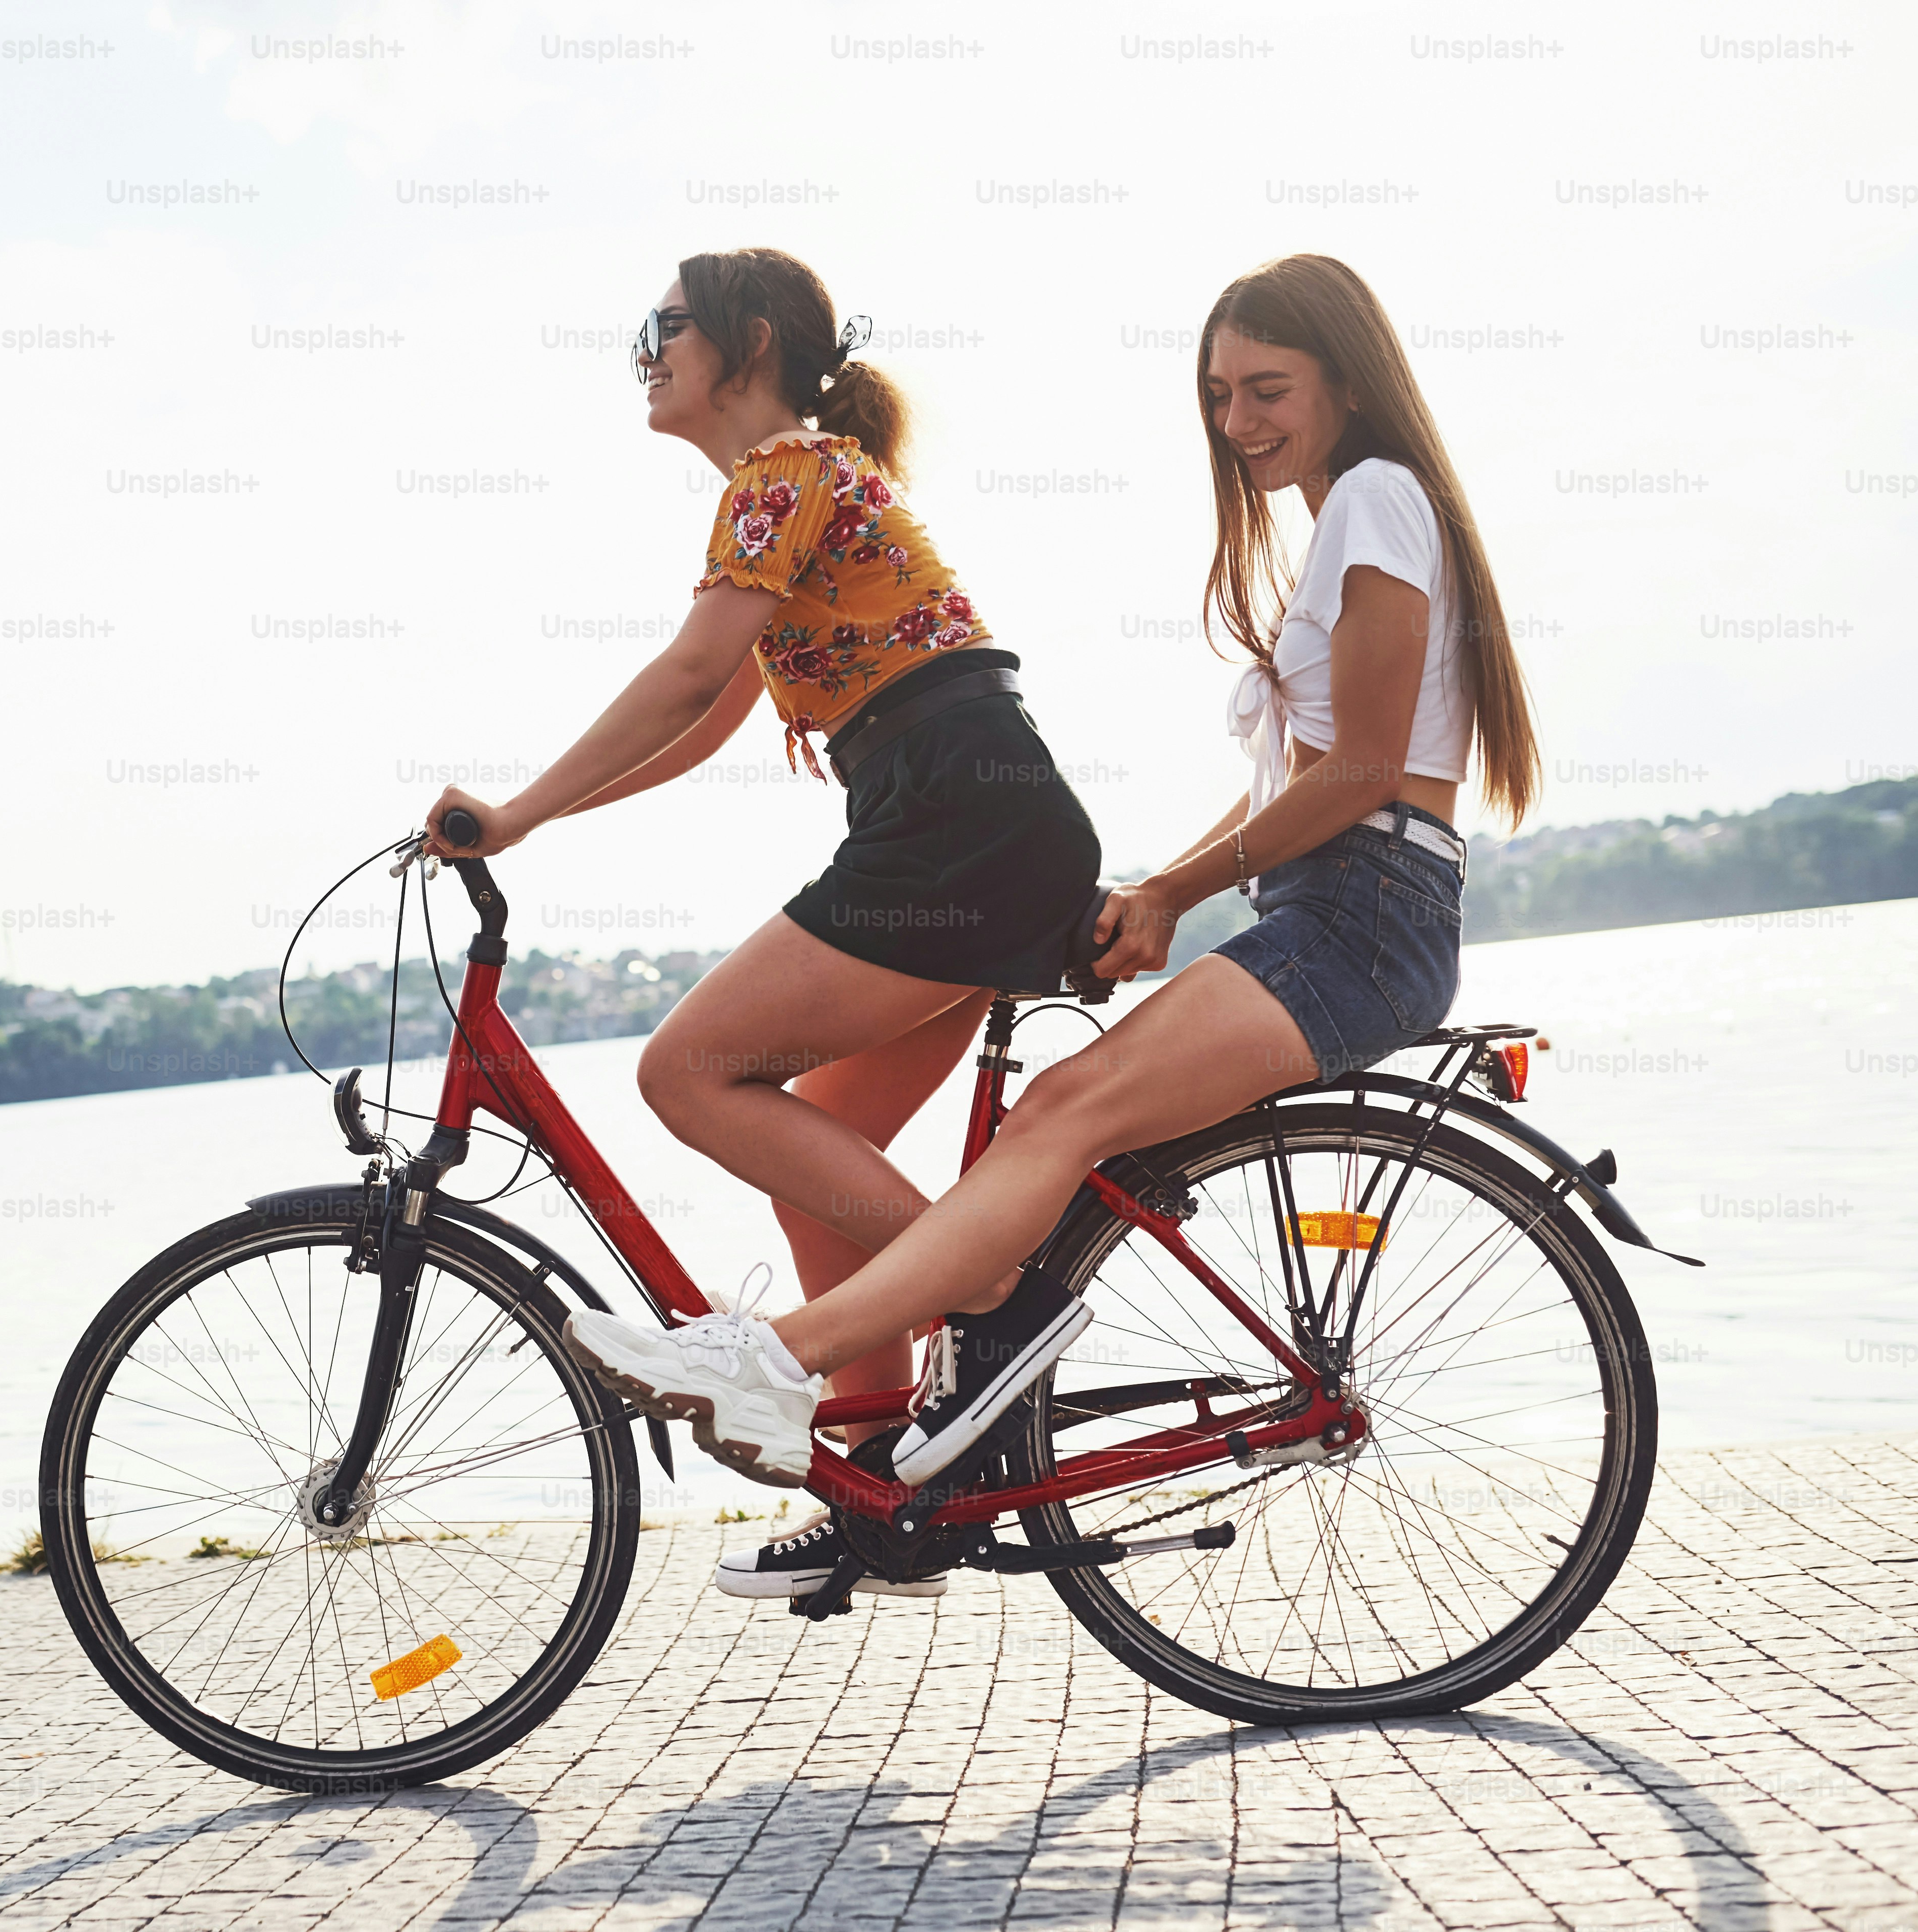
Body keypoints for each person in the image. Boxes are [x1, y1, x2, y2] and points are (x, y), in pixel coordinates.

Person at [561, 254, 1544, 1602]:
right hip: (1331, 907)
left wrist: (1174, 894)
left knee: (1062, 1113)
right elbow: (1316, 782)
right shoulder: (1350, 521)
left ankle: (789, 1355)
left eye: (1269, 390)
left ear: (1349, 383)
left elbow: (1364, 773)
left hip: (1364, 918)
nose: (1240, 421)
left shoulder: (1377, 503)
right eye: (1220, 395)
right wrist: (1156, 891)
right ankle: (912, 1466)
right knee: (974, 1128)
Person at [420, 247, 1107, 1599]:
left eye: (660, 326)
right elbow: (713, 709)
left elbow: (684, 674)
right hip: (973, 811)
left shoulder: (782, 477)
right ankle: (901, 1485)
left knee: (685, 1071)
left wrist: (512, 811)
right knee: (824, 1147)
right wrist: (540, 821)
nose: (643, 351)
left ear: (742, 345)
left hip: (953, 814)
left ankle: (993, 1300)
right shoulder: (789, 490)